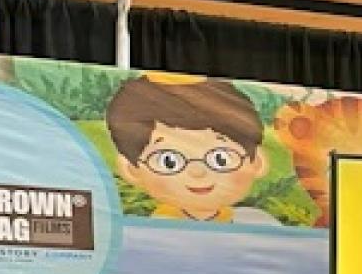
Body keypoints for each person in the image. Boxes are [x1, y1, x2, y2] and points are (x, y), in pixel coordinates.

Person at [103, 74, 276, 224]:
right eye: (169, 162)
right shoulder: (148, 230)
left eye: (220, 159)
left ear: (257, 162)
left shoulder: (258, 223)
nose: (198, 172)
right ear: (132, 169)